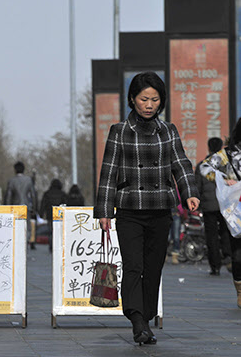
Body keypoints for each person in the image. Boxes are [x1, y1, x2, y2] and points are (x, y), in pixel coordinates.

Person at [94, 72, 200, 345]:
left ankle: (146, 316)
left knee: (153, 268)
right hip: (129, 209)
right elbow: (108, 173)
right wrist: (104, 211)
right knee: (133, 266)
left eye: (155, 99)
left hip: (161, 208)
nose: (149, 104)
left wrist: (190, 193)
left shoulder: (169, 131)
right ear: (133, 99)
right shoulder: (119, 131)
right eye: (144, 99)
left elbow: (181, 164)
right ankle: (137, 320)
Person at [199, 118, 241, 309]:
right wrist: (224, 180)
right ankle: (240, 290)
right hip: (236, 211)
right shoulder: (228, 155)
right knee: (238, 253)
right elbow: (205, 167)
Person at [195, 137, 232, 276]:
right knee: (225, 232)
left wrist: (196, 202)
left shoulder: (202, 165)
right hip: (225, 204)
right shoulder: (227, 164)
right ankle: (228, 257)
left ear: (209, 147)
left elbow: (197, 187)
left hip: (208, 205)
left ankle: (215, 266)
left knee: (211, 236)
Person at [4, 161, 37, 249]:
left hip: (15, 207)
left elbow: (8, 196)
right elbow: (33, 195)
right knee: (27, 227)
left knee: (15, 227)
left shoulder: (12, 181)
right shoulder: (28, 180)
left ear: (15, 170)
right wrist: (34, 208)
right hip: (26, 206)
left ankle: (17, 245)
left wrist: (6, 209)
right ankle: (25, 244)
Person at [39, 178, 68, 252]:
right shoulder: (62, 194)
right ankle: (58, 245)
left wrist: (41, 214)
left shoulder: (47, 193)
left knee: (51, 231)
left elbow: (43, 204)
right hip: (60, 215)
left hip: (50, 214)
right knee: (59, 230)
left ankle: (51, 245)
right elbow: (66, 204)